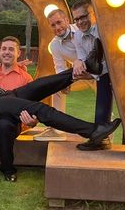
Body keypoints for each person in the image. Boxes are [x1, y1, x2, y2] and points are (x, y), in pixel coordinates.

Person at [0, 43, 119, 182]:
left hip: (2, 97)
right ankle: (92, 131)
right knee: (40, 109)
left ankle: (87, 66)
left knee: (40, 84)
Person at [35, 9, 96, 142]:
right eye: (53, 25)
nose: (57, 27)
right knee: (56, 88)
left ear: (67, 20)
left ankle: (104, 134)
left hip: (98, 73)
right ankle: (58, 129)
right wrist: (63, 84)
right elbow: (60, 68)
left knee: (103, 101)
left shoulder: (82, 30)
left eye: (59, 22)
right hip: (79, 75)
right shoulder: (54, 45)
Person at [71, 0, 116, 151]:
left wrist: (94, 73)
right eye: (76, 19)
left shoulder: (103, 30)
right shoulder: (77, 35)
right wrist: (78, 63)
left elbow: (113, 59)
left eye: (83, 16)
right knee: (102, 90)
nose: (80, 22)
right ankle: (100, 137)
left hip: (116, 69)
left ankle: (100, 136)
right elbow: (82, 58)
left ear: (93, 14)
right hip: (100, 72)